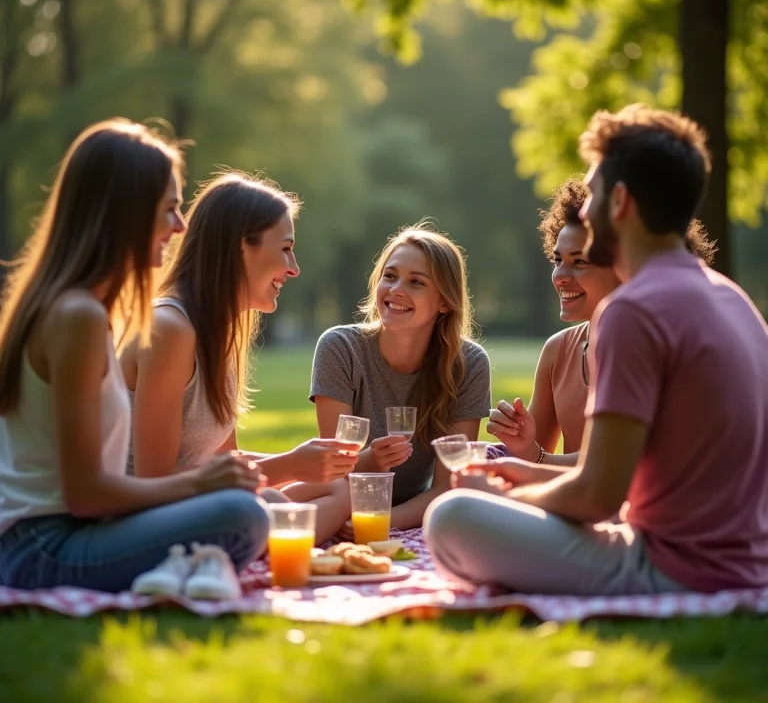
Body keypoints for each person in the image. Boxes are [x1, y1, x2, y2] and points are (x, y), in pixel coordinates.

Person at [426, 104, 768, 595]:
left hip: (675, 570)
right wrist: (528, 473)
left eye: (594, 193)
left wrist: (505, 495)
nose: (585, 209)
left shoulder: (632, 310)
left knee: (453, 516)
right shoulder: (730, 297)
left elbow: (597, 496)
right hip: (748, 564)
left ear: (621, 201)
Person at [0, 120, 270, 593]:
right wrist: (201, 486)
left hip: (63, 535)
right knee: (243, 515)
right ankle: (194, 562)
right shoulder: (77, 316)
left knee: (246, 510)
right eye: (169, 209)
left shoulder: (78, 309)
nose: (180, 226)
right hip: (41, 549)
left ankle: (185, 563)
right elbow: (86, 494)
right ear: (124, 212)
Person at [120, 172, 357, 543]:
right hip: (142, 516)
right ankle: (272, 545)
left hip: (198, 503)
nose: (293, 268)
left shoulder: (219, 333)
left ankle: (273, 542)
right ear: (240, 247)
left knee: (340, 490)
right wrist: (288, 465)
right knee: (266, 504)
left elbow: (221, 462)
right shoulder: (170, 329)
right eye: (285, 248)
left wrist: (309, 464)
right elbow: (154, 478)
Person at [486, 179, 716, 468]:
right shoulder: (558, 350)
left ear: (624, 266)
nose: (560, 276)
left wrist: (535, 459)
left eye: (579, 262)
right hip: (570, 504)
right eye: (558, 260)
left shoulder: (654, 347)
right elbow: (534, 459)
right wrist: (517, 440)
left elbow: (616, 465)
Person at [310, 223, 491, 531]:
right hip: (337, 502)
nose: (396, 290)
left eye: (416, 282)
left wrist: (379, 522)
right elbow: (333, 470)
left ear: (445, 302)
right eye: (390, 276)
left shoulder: (469, 364)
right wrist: (371, 460)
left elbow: (448, 486)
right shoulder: (340, 348)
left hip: (407, 516)